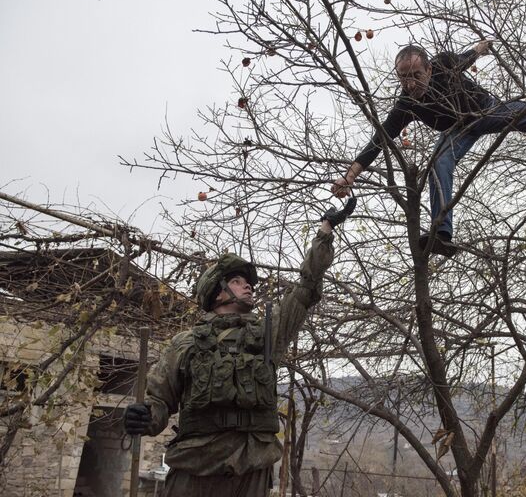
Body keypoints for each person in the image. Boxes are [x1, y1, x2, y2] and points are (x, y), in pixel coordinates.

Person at [123, 198, 356, 497]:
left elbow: (306, 287)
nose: (248, 287)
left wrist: (325, 231)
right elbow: (159, 402)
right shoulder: (186, 343)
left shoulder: (268, 335)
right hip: (196, 468)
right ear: (217, 292)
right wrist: (142, 417)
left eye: (248, 283)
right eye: (237, 281)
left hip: (252, 469)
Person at [331, 42, 526, 256]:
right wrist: (350, 176)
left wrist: (482, 47)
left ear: (429, 69)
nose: (410, 84)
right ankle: (442, 234)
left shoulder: (445, 64)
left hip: (486, 111)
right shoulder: (406, 104)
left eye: (415, 76)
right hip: (456, 131)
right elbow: (379, 140)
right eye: (403, 78)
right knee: (439, 165)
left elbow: (468, 55)